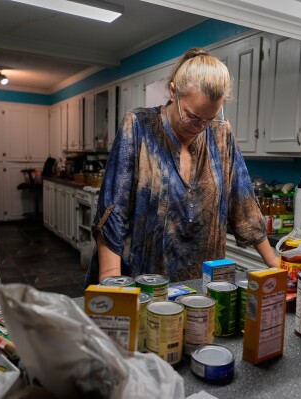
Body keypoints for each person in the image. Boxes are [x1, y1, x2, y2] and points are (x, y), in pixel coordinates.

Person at [84, 47, 279, 286]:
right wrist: (111, 284)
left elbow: (243, 204)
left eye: (209, 118)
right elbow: (113, 213)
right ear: (173, 91)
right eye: (193, 116)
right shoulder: (138, 127)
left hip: (206, 284)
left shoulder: (221, 134)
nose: (201, 126)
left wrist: (276, 265)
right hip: (147, 283)